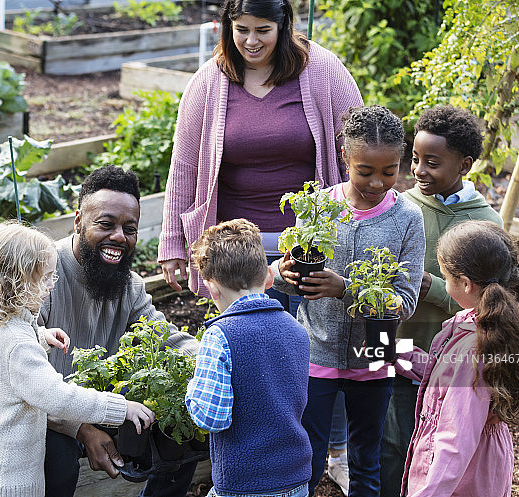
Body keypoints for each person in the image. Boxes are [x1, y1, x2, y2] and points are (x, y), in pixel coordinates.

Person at [158, 0, 363, 310]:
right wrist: (172, 241)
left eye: (263, 30)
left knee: (311, 346)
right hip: (235, 254)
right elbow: (184, 165)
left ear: (283, 27)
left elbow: (357, 147)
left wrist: (363, 221)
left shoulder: (323, 70)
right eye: (242, 30)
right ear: (229, 27)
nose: (251, 42)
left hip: (310, 248)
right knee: (249, 345)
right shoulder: (208, 81)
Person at [271, 105, 426, 497]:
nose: (377, 182)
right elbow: (294, 279)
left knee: (365, 461)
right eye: (365, 171)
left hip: (375, 353)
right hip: (315, 350)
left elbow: (405, 301)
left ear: (401, 161)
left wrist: (346, 289)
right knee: (306, 458)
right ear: (345, 157)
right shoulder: (319, 207)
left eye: (389, 171)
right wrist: (287, 277)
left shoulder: (407, 218)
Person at [39, 165, 201, 497]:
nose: (119, 237)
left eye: (130, 228)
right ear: (78, 221)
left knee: (181, 429)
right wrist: (81, 429)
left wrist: (215, 357)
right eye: (106, 224)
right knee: (56, 456)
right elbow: (23, 378)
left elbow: (164, 337)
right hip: (46, 414)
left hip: (106, 406)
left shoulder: (128, 285)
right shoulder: (42, 276)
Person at [0, 221, 156, 497]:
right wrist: (121, 408)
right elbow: (57, 396)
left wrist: (41, 337)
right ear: (16, 280)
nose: (51, 285)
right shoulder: (16, 343)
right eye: (44, 278)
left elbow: (3, 357)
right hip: (11, 476)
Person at [379, 105, 503, 497]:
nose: (417, 170)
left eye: (431, 163)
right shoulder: (400, 206)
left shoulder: (486, 224)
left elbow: (488, 306)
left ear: (464, 164)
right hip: (393, 346)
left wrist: (427, 285)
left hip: (452, 364)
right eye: (414, 159)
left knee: (439, 447)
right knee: (389, 445)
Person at [395, 220, 519, 496]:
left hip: (461, 478)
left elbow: (455, 442)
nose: (444, 284)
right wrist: (394, 352)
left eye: (445, 277)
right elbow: (446, 375)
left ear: (466, 284)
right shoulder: (505, 318)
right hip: (481, 463)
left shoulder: (475, 347)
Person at [185, 218, 311, 497]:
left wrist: (193, 388)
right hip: (296, 476)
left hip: (245, 483)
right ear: (268, 276)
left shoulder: (220, 336)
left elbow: (211, 416)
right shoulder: (297, 329)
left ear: (212, 288)